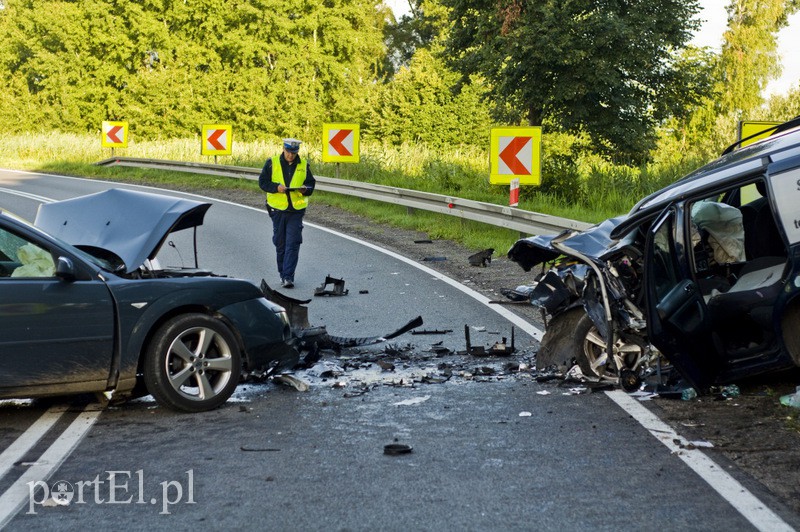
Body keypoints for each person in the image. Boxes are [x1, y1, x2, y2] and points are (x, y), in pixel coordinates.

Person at [258, 138, 315, 288]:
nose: (291, 155)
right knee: (281, 243)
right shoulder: (272, 162)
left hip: (296, 211)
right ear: (283, 149)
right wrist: (276, 187)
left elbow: (311, 184)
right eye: (289, 152)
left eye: (294, 153)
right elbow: (262, 182)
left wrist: (305, 190)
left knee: (293, 243)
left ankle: (288, 277)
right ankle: (283, 273)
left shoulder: (303, 165)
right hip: (278, 210)